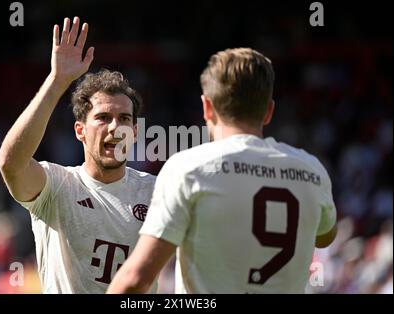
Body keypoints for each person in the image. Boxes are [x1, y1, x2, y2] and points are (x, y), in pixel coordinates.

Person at [107, 48, 337, 294]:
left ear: (207, 107)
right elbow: (325, 236)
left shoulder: (189, 168)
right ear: (269, 111)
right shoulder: (312, 171)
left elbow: (135, 279)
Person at [0, 17, 156, 293]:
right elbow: (10, 163)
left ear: (135, 130)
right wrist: (57, 81)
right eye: (103, 117)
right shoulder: (57, 186)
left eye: (124, 118)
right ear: (80, 131)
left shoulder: (157, 192)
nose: (115, 127)